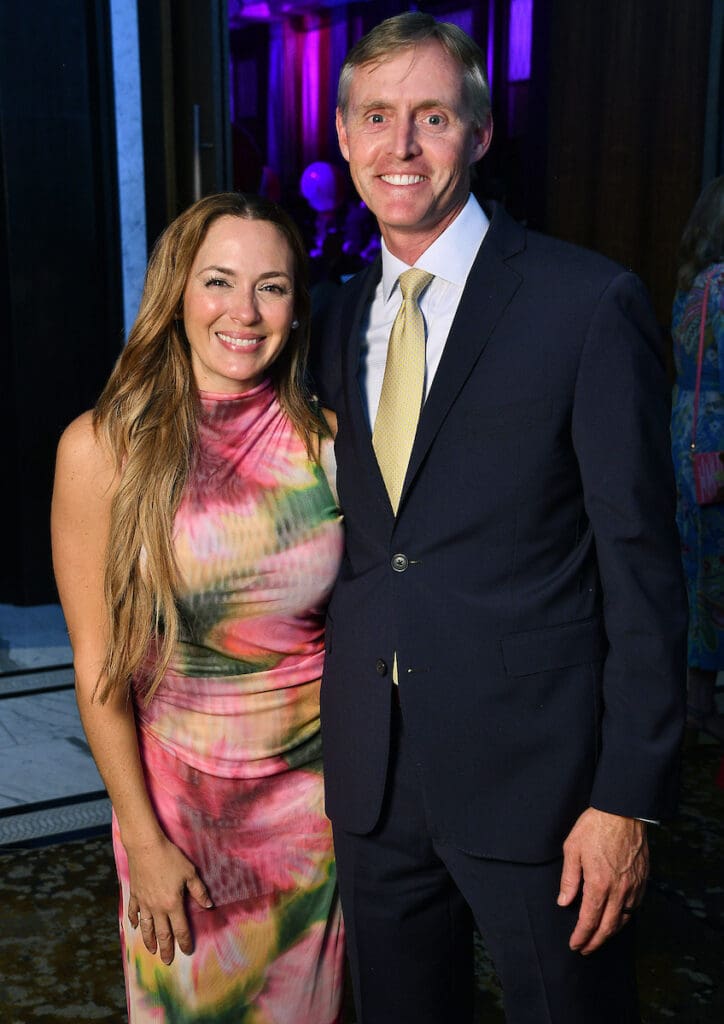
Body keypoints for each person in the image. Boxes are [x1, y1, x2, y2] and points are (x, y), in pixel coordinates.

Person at [310, 12, 687, 1024]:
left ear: (478, 132)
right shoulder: (333, 317)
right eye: (376, 117)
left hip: (545, 788)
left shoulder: (584, 303)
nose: (400, 145)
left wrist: (625, 797)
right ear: (342, 134)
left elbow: (644, 571)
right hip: (374, 780)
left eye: (431, 116)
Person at [51, 192, 345, 1023]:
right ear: (176, 293)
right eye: (218, 281)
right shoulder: (103, 449)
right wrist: (143, 841)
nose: (243, 312)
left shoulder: (330, 446)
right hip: (176, 819)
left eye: (271, 287)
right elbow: (98, 670)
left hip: (315, 825)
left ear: (297, 308)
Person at [671, 176, 724, 742]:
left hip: (689, 425)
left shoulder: (694, 281)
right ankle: (700, 703)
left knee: (698, 561)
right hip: (716, 432)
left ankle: (695, 697)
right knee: (713, 567)